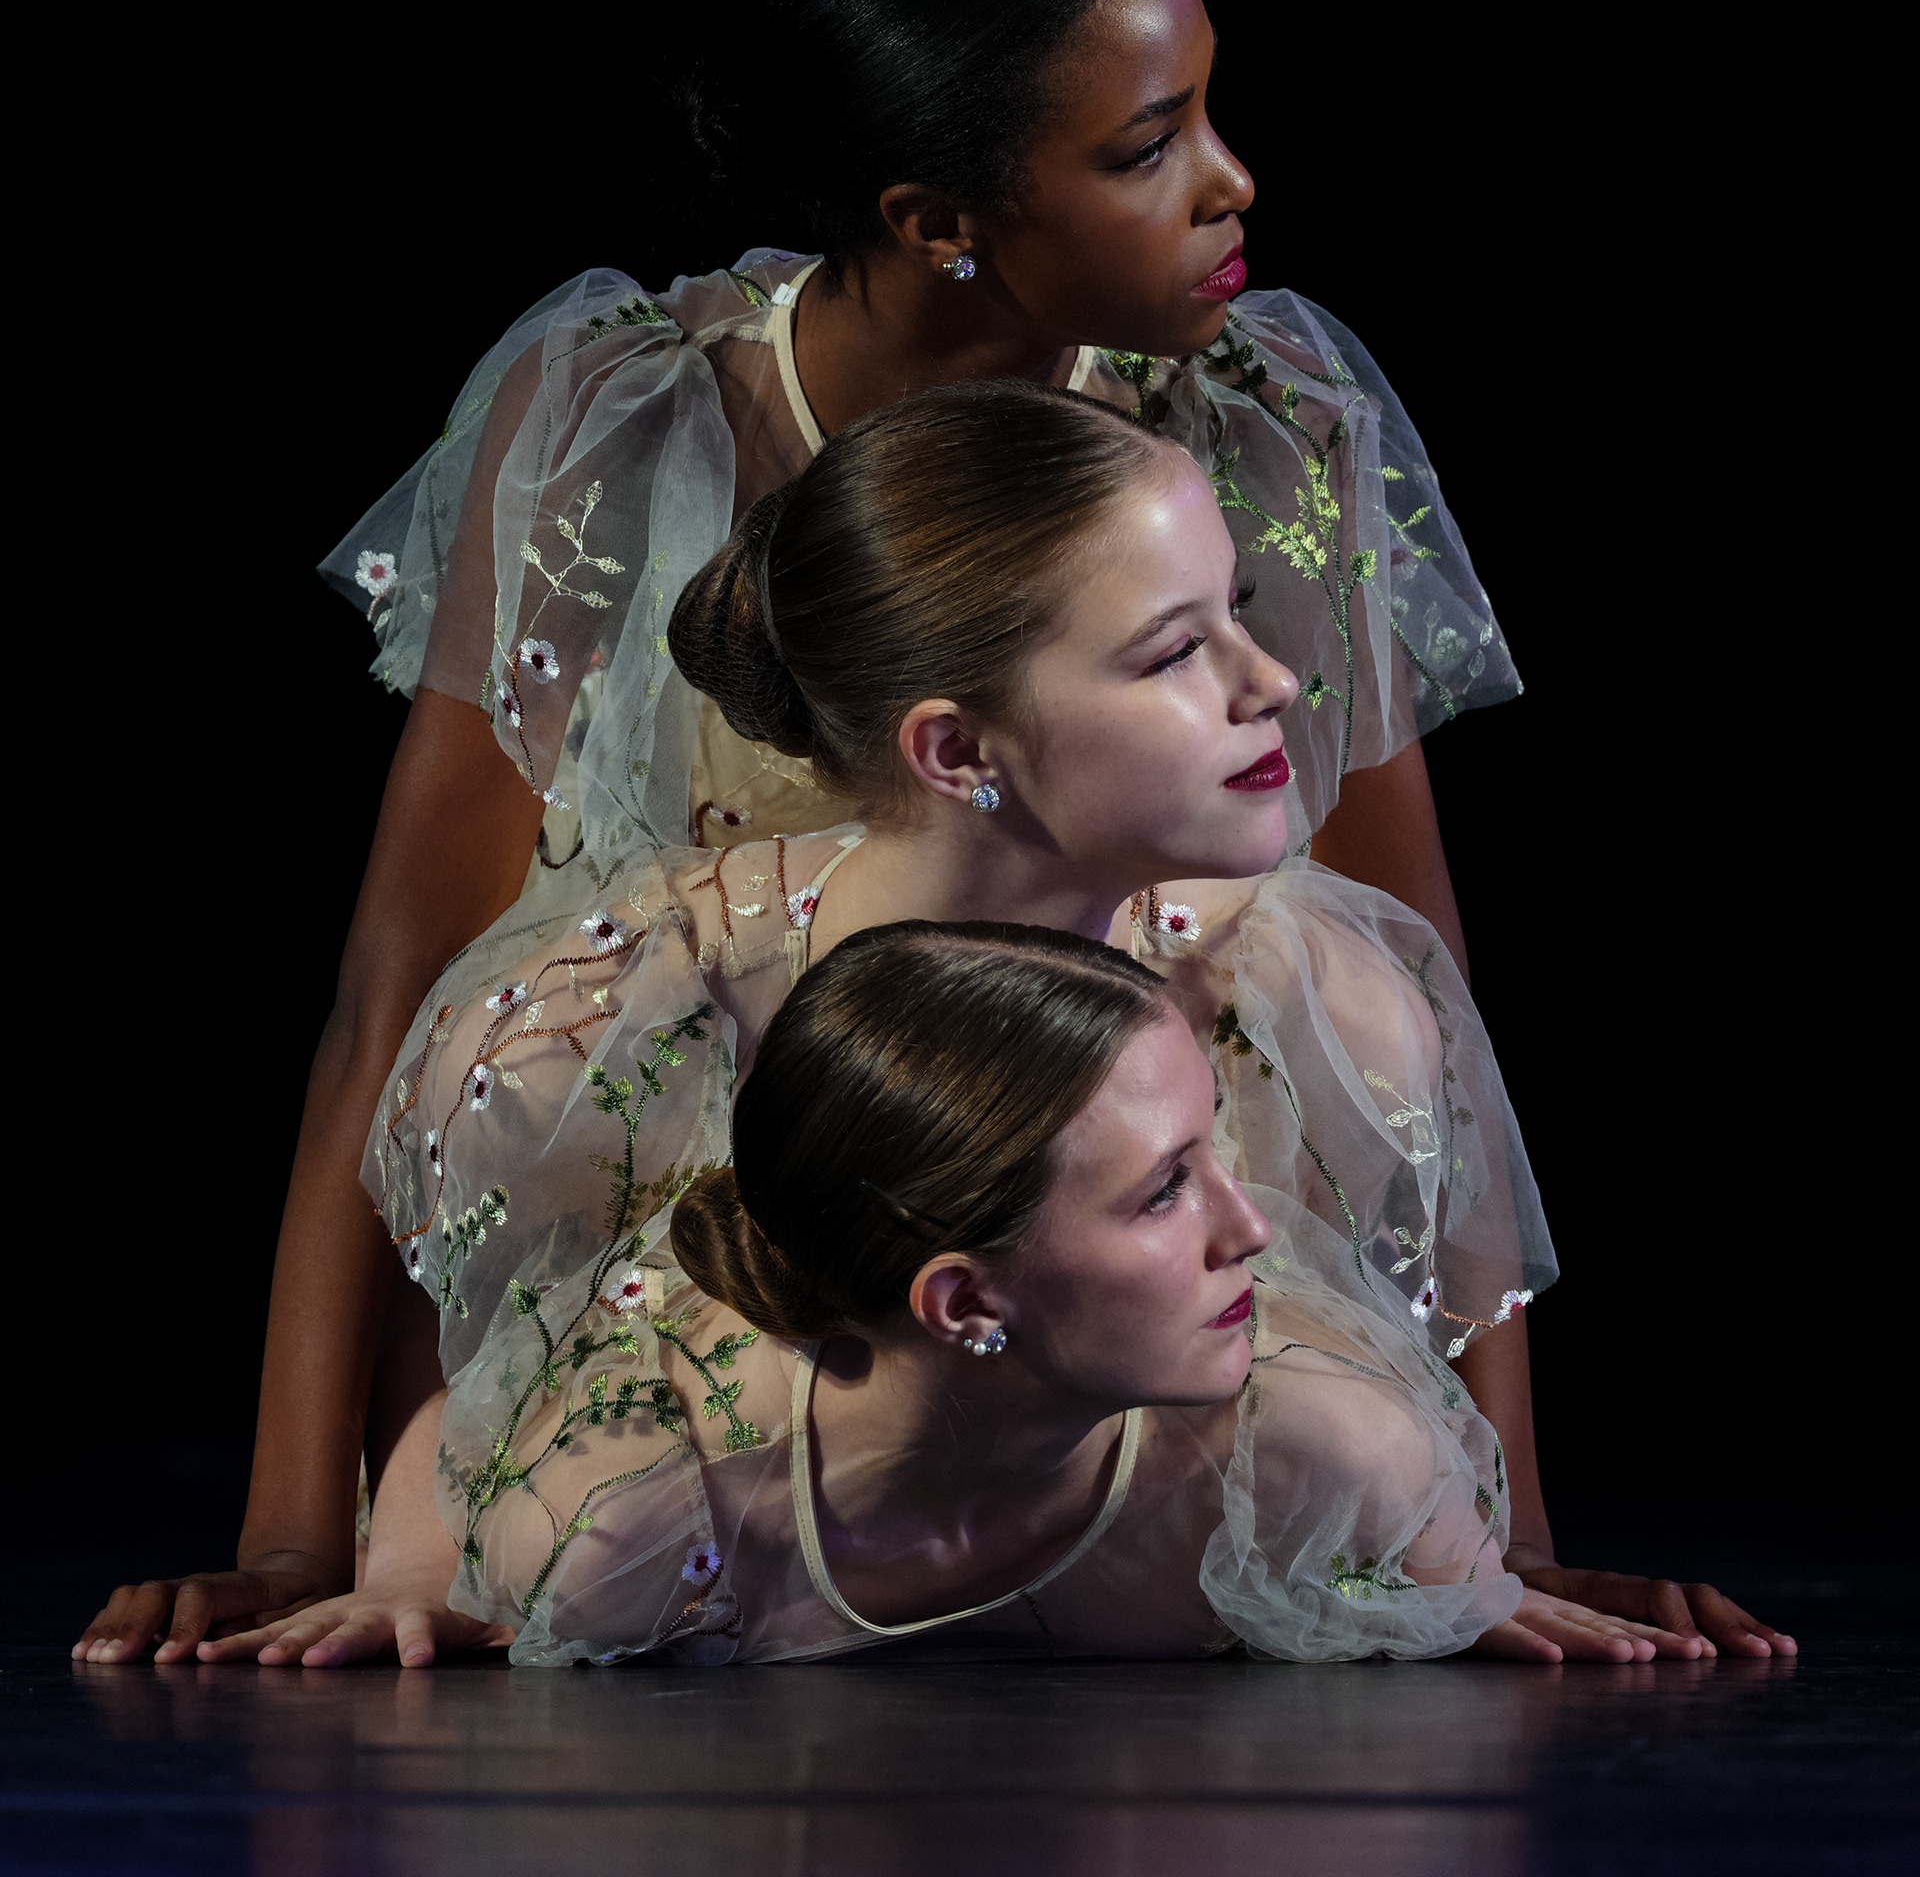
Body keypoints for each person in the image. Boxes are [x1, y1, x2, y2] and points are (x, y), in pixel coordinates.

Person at [78, 382, 1788, 1663]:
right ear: (957, 749)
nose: (1274, 684)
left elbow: (1386, 1354)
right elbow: (507, 1366)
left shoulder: (1319, 1002)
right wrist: (396, 1575)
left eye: (1245, 622)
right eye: (1176, 650)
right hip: (710, 1575)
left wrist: (1481, 1565)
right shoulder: (615, 1018)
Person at [204, 924, 1683, 1668]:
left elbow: (1438, 1561)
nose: (1254, 1231)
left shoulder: (1335, 1458)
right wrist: (412, 1583)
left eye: (1216, 1161)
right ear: (967, 1303)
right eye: (1166, 1191)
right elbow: (481, 1431)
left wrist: (1460, 1592)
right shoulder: (630, 1512)